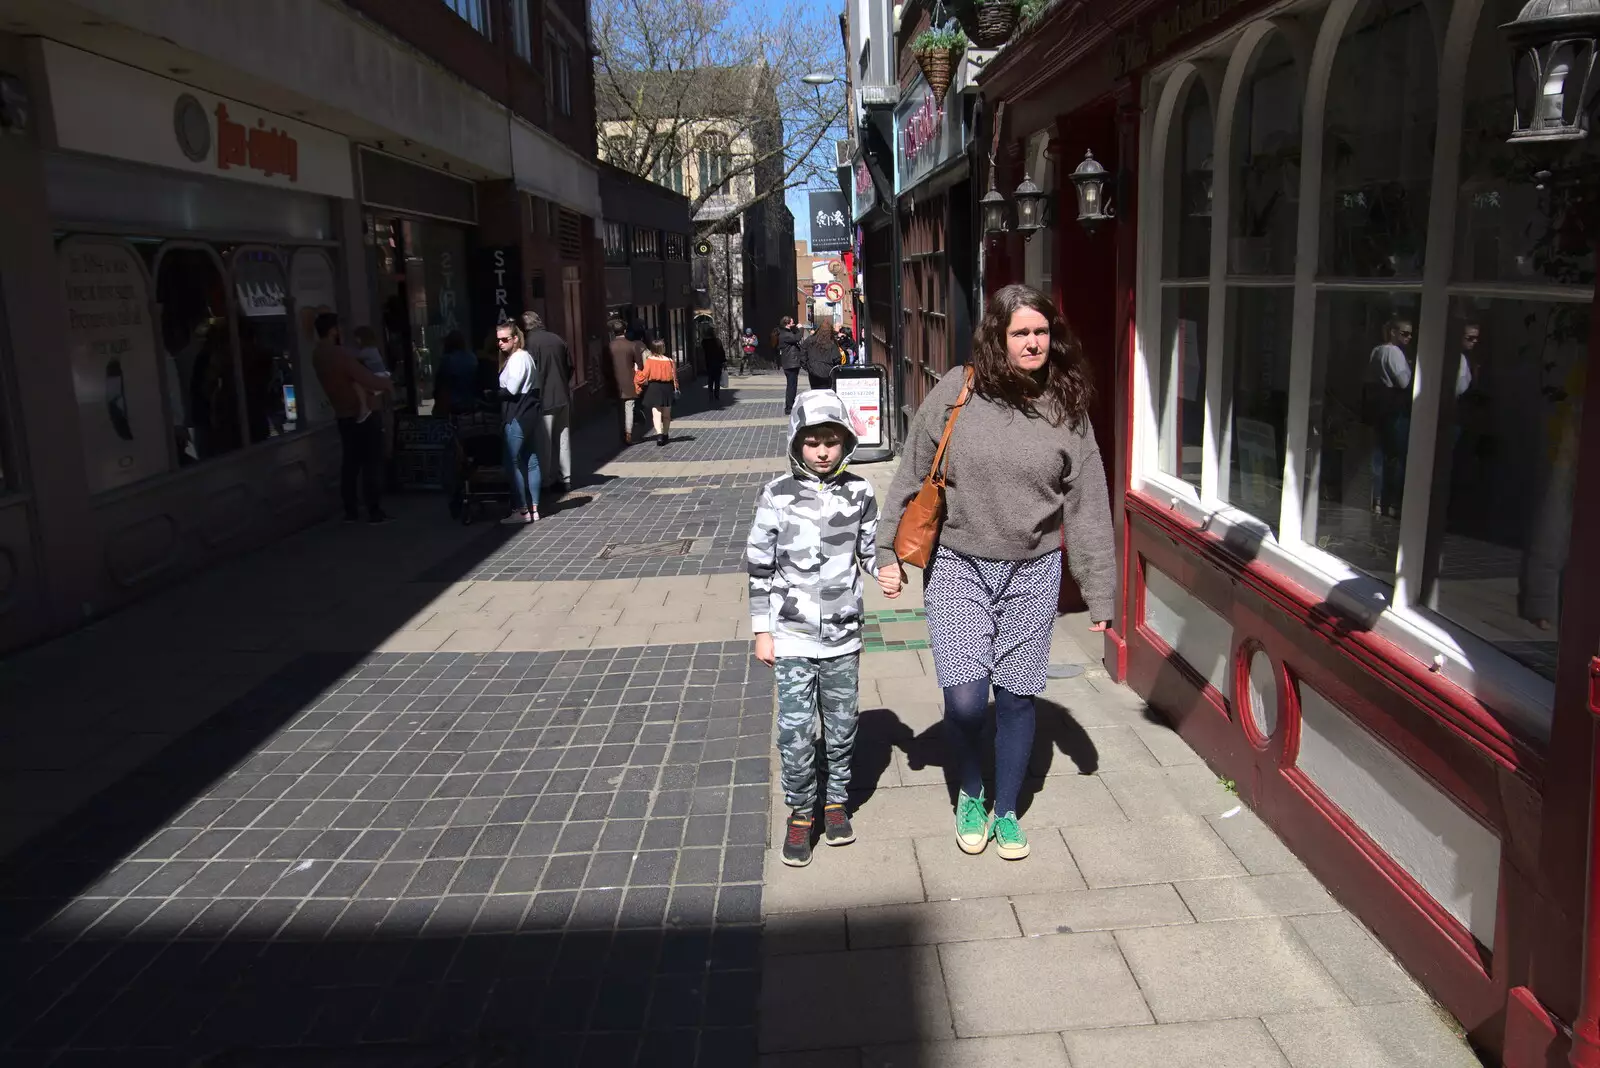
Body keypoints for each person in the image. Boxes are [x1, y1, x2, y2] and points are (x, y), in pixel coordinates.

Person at [876, 284, 1115, 862]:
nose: (1034, 342)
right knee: (963, 702)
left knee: (1015, 699)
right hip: (958, 565)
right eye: (1021, 333)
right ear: (997, 337)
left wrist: (1101, 593)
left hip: (1033, 570)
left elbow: (1087, 506)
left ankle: (1005, 809)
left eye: (1041, 332)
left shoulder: (1066, 407)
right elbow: (911, 470)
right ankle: (971, 794)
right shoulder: (958, 390)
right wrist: (886, 550)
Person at [748, 389, 891, 867]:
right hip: (789, 633)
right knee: (793, 730)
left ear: (846, 442)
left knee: (843, 724)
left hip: (843, 636)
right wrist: (761, 629)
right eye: (813, 443)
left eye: (832, 441)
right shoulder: (776, 494)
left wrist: (886, 569)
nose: (824, 451)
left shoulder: (860, 491)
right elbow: (759, 567)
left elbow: (871, 547)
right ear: (796, 443)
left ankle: (834, 801)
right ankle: (800, 809)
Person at [312, 312, 396, 524]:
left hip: (342, 413)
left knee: (350, 462)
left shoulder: (318, 355)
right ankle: (373, 510)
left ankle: (350, 510)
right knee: (370, 462)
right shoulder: (338, 354)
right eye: (337, 328)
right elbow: (363, 377)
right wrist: (385, 384)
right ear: (332, 330)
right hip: (362, 413)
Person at [1363, 318, 1415, 518]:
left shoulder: (1377, 351)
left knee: (1379, 456)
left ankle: (1377, 499)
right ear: (1392, 332)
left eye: (1410, 334)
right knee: (1397, 457)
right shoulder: (1394, 353)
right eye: (1404, 333)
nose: (1409, 338)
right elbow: (1404, 382)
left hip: (1378, 409)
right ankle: (1392, 501)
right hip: (1394, 411)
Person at [523, 311, 573, 496]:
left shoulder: (530, 344)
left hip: (543, 398)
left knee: (544, 442)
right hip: (562, 395)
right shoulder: (558, 339)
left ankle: (545, 481)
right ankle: (565, 478)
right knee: (563, 438)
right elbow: (570, 367)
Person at [497, 322, 542, 524]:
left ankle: (522, 510)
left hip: (517, 413)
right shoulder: (526, 357)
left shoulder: (517, 359)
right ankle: (534, 509)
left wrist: (493, 394)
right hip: (530, 413)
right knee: (531, 459)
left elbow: (512, 389)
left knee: (511, 461)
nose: (500, 343)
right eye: (498, 339)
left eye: (505, 339)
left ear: (515, 338)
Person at [635, 339, 680, 446]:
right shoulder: (670, 361)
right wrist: (676, 387)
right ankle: (665, 434)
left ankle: (659, 435)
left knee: (656, 413)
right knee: (667, 414)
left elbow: (643, 376)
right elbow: (675, 377)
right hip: (667, 388)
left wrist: (637, 371)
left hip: (654, 388)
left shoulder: (650, 360)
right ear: (662, 348)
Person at [608, 319, 645, 444]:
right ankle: (628, 433)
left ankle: (621, 433)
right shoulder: (631, 345)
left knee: (619, 409)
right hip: (630, 382)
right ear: (624, 331)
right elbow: (640, 365)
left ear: (614, 332)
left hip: (615, 383)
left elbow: (605, 367)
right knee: (629, 407)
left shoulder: (609, 347)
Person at [349, 326, 392, 425]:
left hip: (379, 376)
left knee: (357, 385)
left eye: (357, 338)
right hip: (380, 376)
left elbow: (352, 356)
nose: (356, 340)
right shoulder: (373, 349)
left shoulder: (368, 351)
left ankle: (364, 408)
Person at [434, 330, 480, 416]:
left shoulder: (448, 360)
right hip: (471, 406)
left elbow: (442, 386)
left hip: (453, 408)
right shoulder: (472, 358)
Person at [801, 314, 840, 391]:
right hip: (827, 371)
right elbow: (837, 358)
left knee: (815, 391)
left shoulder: (810, 340)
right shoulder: (832, 342)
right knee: (826, 392)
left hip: (813, 370)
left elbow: (802, 353)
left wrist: (807, 367)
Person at [776, 316, 805, 414]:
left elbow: (795, 336)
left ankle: (790, 405)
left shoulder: (787, 332)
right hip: (790, 363)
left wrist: (797, 329)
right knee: (791, 386)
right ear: (787, 323)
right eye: (792, 322)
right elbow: (797, 338)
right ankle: (789, 407)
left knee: (792, 385)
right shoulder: (785, 334)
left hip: (791, 363)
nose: (794, 323)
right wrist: (801, 328)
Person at [704, 324, 727, 406]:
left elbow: (703, 352)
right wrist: (724, 361)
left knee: (710, 380)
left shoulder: (705, 342)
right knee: (717, 380)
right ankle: (716, 395)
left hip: (709, 363)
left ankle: (710, 394)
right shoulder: (717, 341)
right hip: (717, 363)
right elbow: (722, 352)